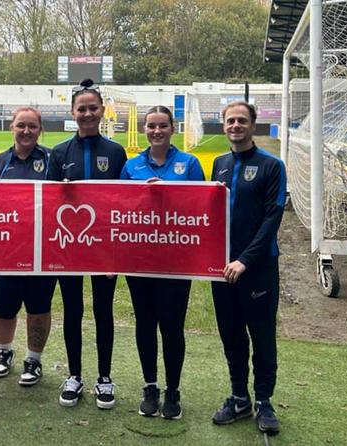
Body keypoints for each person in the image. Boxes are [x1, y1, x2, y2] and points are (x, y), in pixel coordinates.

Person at [47, 78, 127, 409]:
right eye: (82, 109)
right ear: (73, 112)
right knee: (73, 310)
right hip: (70, 244)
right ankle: (74, 375)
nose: (88, 113)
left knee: (103, 310)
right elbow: (49, 202)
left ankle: (104, 378)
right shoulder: (59, 152)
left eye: (93, 108)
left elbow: (124, 201)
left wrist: (117, 252)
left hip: (104, 246)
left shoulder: (115, 151)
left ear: (102, 110)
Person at [120, 106, 205, 419]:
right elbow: (119, 208)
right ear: (144, 129)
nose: (157, 131)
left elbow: (201, 207)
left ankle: (173, 390)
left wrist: (167, 194)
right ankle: (150, 387)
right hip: (139, 260)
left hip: (176, 260)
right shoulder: (131, 166)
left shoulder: (189, 163)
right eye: (151, 126)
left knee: (172, 326)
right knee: (145, 323)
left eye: (162, 126)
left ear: (172, 128)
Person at [210, 101, 286, 436]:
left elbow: (272, 218)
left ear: (253, 125)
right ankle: (239, 397)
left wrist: (245, 260)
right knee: (231, 335)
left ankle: (264, 401)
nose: (236, 125)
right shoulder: (220, 163)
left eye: (242, 120)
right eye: (230, 120)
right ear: (224, 125)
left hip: (257, 268)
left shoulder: (272, 165)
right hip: (221, 268)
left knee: (262, 336)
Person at [0, 107, 57, 387]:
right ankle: (4, 352)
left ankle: (33, 359)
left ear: (40, 129)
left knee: (38, 307)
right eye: (21, 125)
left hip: (43, 248)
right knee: (3, 306)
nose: (26, 131)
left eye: (32, 126)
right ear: (12, 127)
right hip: (7, 249)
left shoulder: (53, 160)